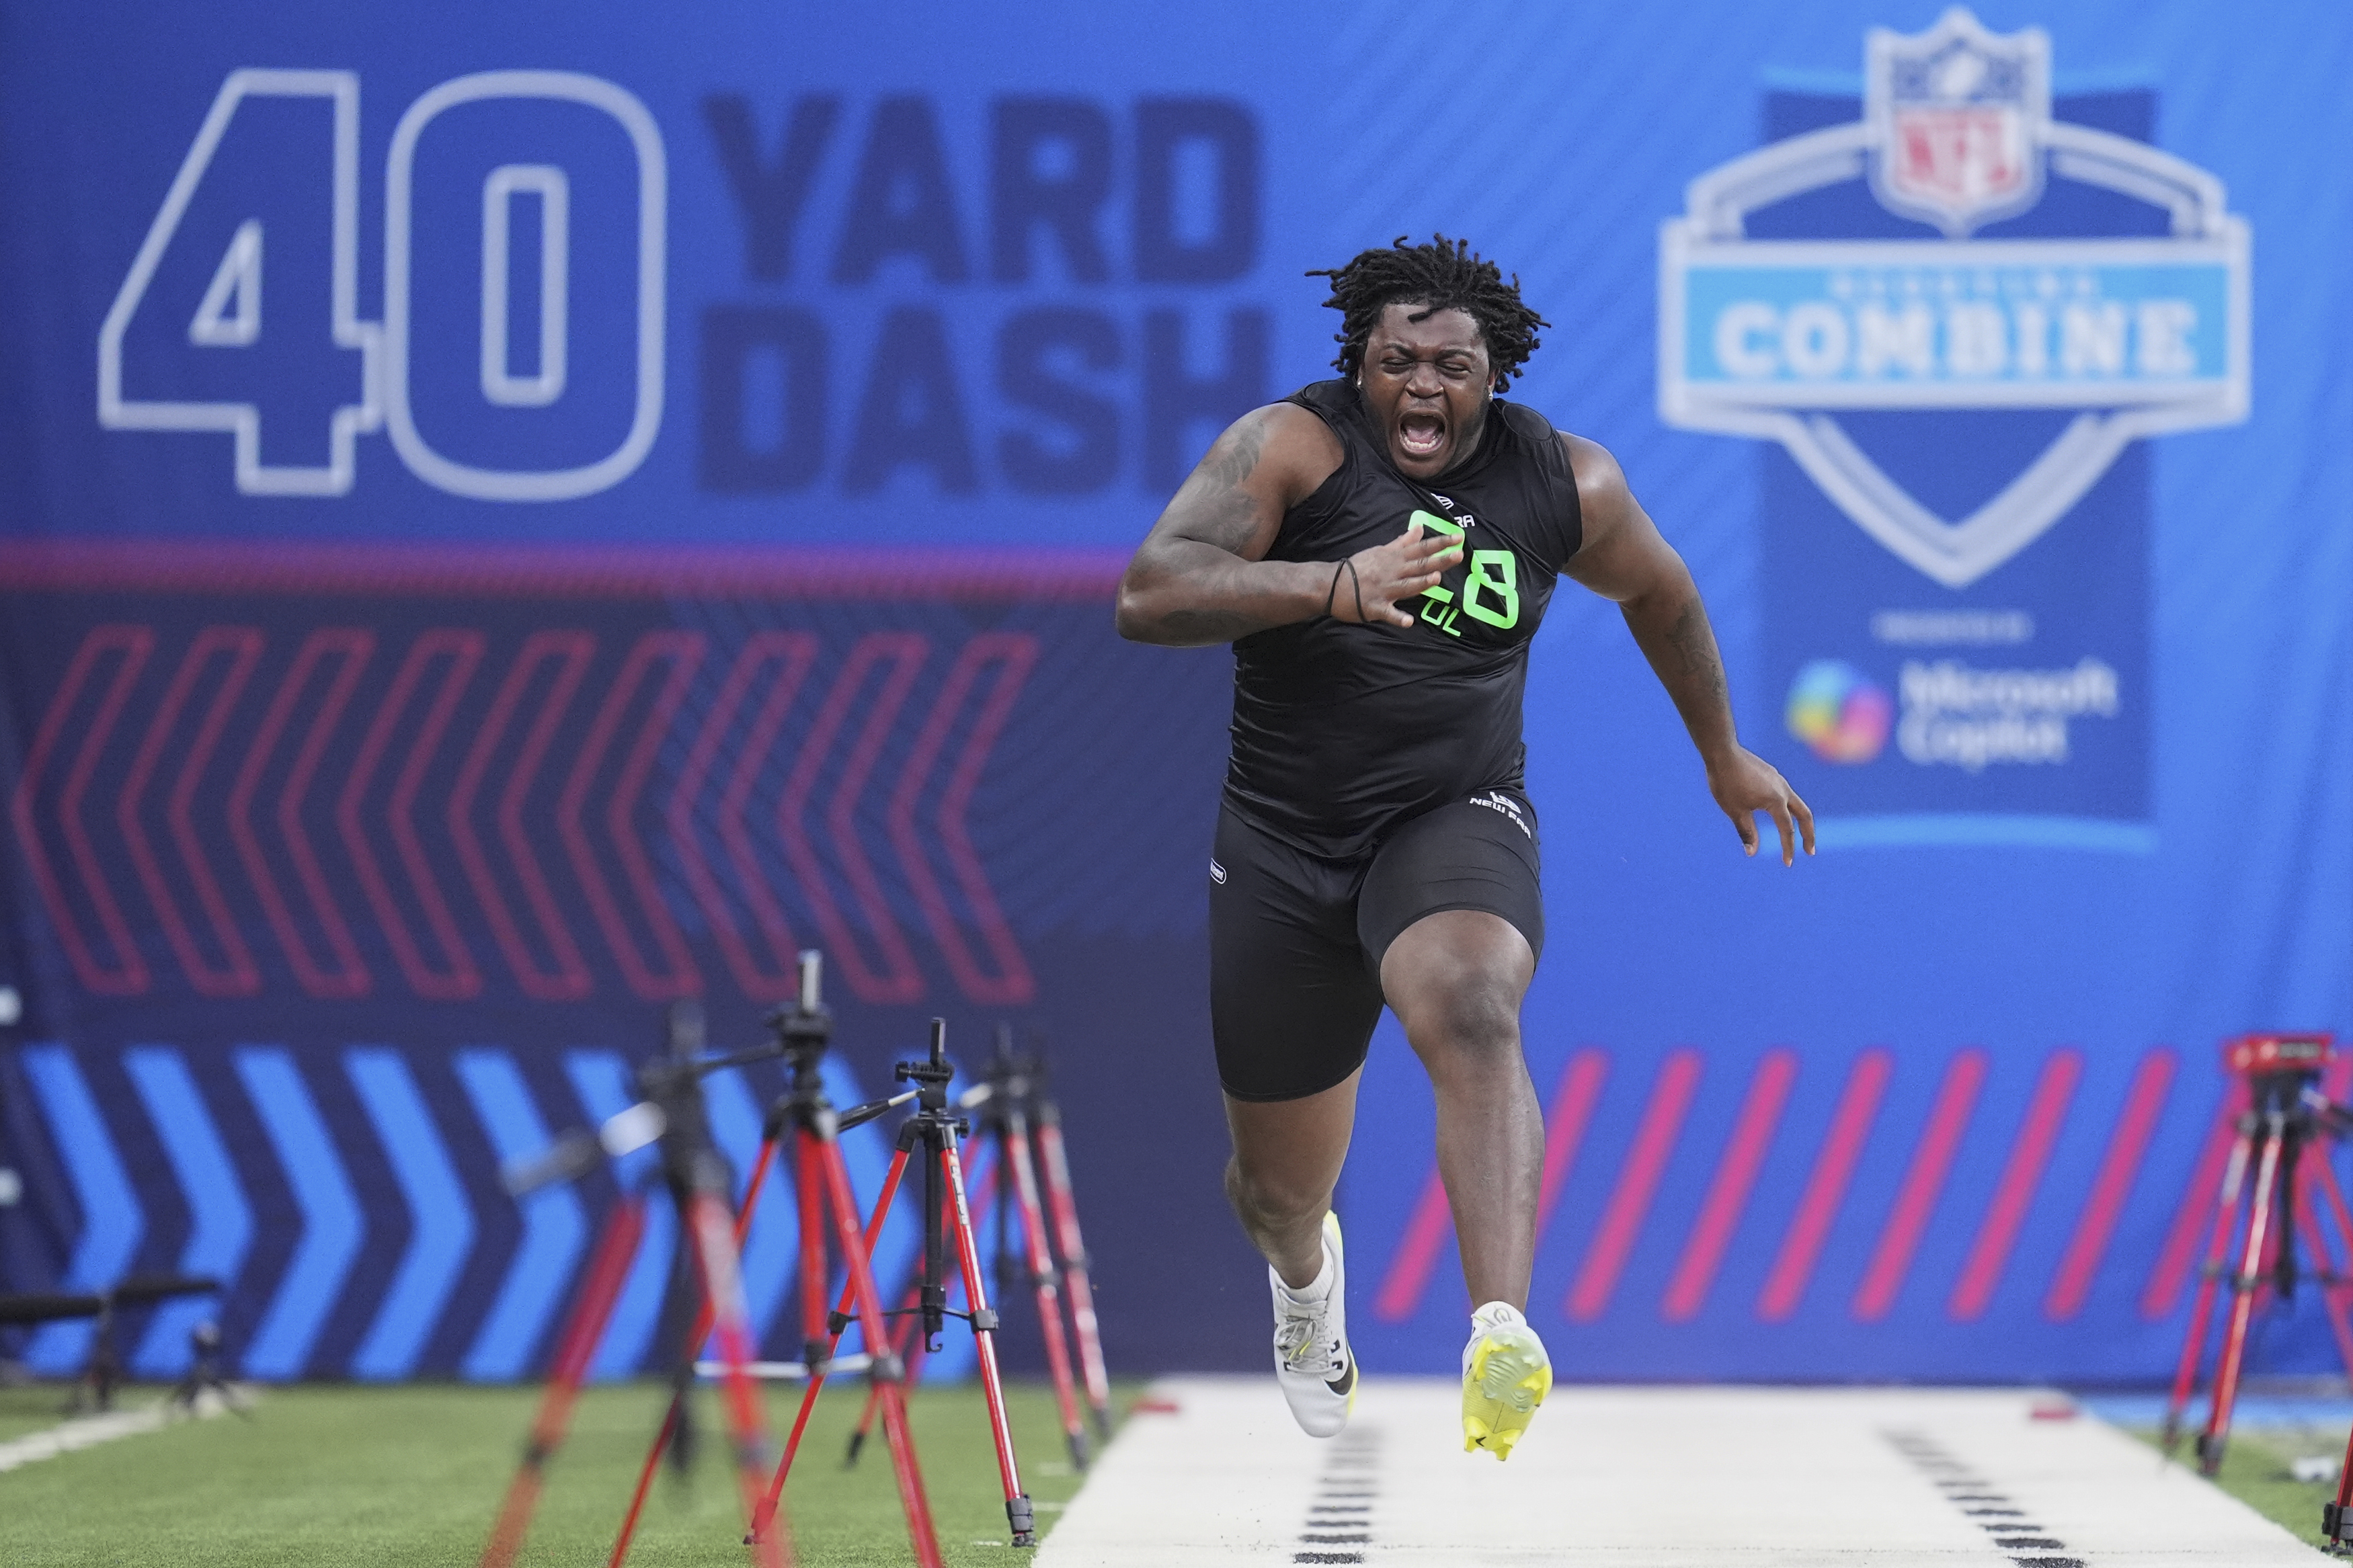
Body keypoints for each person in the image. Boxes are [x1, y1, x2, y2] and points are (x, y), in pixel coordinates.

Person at [1115, 236, 1812, 1460]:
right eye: (1396, 361)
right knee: (1276, 1192)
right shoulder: (1291, 445)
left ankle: (1501, 1326)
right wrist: (1334, 584)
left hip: (1452, 814)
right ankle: (1304, 1281)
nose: (1422, 387)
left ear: (1497, 375)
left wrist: (1723, 750)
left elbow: (1661, 593)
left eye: (1451, 364)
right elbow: (1152, 593)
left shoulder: (1565, 482)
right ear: (1360, 364)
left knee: (1480, 999)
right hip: (1282, 842)